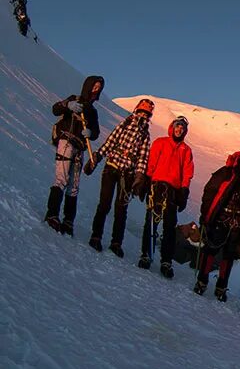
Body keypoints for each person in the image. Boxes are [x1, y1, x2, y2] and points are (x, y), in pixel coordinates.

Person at [194, 142, 240, 301]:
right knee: (211, 249)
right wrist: (205, 216)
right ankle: (202, 281)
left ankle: (221, 286)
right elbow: (210, 192)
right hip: (221, 218)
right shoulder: (226, 172)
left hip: (238, 224)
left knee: (229, 255)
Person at [85, 99, 153, 256]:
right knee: (104, 204)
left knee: (121, 209)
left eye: (147, 114)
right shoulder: (125, 124)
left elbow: (143, 157)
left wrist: (139, 177)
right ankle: (96, 236)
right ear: (136, 111)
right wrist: (97, 157)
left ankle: (116, 242)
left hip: (127, 173)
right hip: (112, 167)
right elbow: (110, 142)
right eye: (142, 112)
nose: (143, 115)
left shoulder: (145, 134)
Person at [44, 75, 103, 236]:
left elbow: (96, 133)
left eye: (99, 87)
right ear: (88, 86)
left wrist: (90, 133)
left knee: (74, 185)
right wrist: (68, 105)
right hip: (66, 141)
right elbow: (56, 109)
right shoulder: (74, 99)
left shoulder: (92, 111)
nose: (96, 89)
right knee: (61, 178)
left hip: (80, 147)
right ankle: (52, 214)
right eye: (95, 85)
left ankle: (68, 221)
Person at [137, 115, 195, 278]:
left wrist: (184, 191)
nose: (179, 129)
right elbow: (152, 163)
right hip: (157, 185)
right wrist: (146, 181)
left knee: (169, 226)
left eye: (182, 128)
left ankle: (166, 261)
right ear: (172, 127)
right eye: (177, 126)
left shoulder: (186, 150)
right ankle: (146, 255)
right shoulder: (160, 143)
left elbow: (187, 172)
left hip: (173, 190)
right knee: (151, 221)